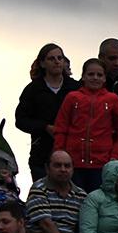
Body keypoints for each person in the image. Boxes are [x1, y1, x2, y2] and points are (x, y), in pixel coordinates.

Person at [52, 58, 118, 193]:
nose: (95, 78)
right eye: (91, 74)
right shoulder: (72, 97)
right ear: (83, 76)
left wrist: (115, 156)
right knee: (75, 203)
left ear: (105, 78)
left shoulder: (112, 99)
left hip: (102, 163)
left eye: (99, 75)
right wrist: (60, 154)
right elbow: (61, 127)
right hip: (73, 163)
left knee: (97, 203)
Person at [15, 45, 79, 182]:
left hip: (71, 152)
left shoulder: (75, 88)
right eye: (51, 59)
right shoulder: (33, 89)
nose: (56, 61)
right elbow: (20, 120)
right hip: (42, 153)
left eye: (59, 58)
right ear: (43, 63)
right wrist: (44, 127)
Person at [24, 151, 87, 233]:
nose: (63, 169)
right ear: (47, 168)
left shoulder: (81, 195)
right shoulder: (39, 189)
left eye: (67, 166)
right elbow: (46, 224)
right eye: (58, 165)